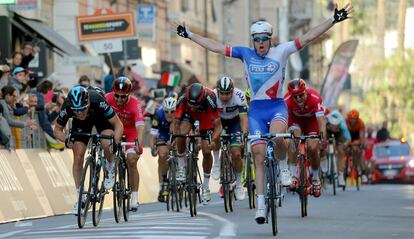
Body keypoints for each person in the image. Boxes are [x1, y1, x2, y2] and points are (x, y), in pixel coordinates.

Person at [175, 3, 352, 223]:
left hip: (276, 106)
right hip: (256, 110)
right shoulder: (245, 53)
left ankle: (284, 167)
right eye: (256, 39)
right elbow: (216, 47)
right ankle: (260, 206)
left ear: (270, 39)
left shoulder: (282, 50)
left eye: (263, 39)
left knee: (278, 138)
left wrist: (333, 21)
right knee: (258, 155)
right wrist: (190, 35)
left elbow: (307, 37)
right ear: (252, 41)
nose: (260, 44)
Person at [53, 85, 124, 214]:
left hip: (101, 118)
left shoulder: (97, 100)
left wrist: (115, 144)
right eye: (76, 110)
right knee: (78, 154)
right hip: (81, 124)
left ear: (88, 102)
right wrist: (66, 139)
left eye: (82, 109)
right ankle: (81, 195)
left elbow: (118, 125)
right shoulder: (68, 105)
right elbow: (57, 130)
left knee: (107, 142)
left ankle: (109, 165)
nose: (79, 113)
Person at [173, 83, 222, 205]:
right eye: (191, 104)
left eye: (196, 105)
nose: (194, 107)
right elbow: (176, 123)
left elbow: (218, 126)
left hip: (205, 117)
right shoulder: (183, 99)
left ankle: (205, 186)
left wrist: (214, 140)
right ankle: (181, 167)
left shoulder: (209, 98)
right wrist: (176, 136)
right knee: (181, 134)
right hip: (188, 116)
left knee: (206, 151)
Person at [105, 77, 144, 211]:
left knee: (132, 160)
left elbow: (140, 125)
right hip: (114, 129)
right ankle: (110, 168)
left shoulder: (135, 103)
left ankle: (134, 197)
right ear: (113, 92)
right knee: (107, 145)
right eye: (117, 96)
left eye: (123, 97)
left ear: (129, 95)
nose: (119, 100)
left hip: (130, 132)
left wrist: (138, 143)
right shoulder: (107, 98)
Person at [284, 79, 326, 197]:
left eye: (301, 95)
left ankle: (316, 179)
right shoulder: (286, 101)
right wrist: (284, 137)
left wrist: (322, 137)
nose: (298, 99)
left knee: (313, 148)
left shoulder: (315, 97)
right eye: (295, 96)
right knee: (292, 141)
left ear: (306, 92)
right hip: (295, 121)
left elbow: (321, 121)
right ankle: (293, 177)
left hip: (312, 121)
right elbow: (283, 121)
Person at [211, 76, 248, 200]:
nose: (225, 97)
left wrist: (244, 134)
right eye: (222, 94)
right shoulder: (212, 96)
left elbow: (243, 118)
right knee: (215, 138)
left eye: (228, 94)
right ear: (218, 91)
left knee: (237, 154)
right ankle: (216, 163)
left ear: (233, 91)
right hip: (218, 121)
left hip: (234, 123)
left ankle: (238, 184)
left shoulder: (239, 95)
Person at [149, 97, 177, 202]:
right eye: (167, 111)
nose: (169, 114)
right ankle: (163, 184)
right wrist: (152, 148)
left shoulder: (179, 113)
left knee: (182, 148)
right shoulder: (158, 114)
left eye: (172, 111)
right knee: (162, 155)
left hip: (176, 133)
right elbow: (152, 135)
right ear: (163, 110)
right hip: (163, 134)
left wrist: (174, 142)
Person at [326, 110, 351, 187]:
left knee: (341, 151)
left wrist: (345, 145)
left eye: (336, 126)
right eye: (332, 125)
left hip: (339, 135)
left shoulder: (342, 125)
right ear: (329, 123)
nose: (334, 127)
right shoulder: (325, 121)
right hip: (327, 132)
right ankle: (326, 166)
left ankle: (340, 176)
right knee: (324, 147)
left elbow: (348, 138)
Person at [346, 109, 367, 183]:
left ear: (357, 118)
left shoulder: (361, 123)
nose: (352, 121)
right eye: (351, 119)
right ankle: (347, 166)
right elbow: (344, 135)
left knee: (359, 152)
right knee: (346, 148)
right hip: (348, 135)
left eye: (354, 119)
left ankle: (363, 173)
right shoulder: (346, 122)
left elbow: (362, 137)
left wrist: (361, 144)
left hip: (357, 136)